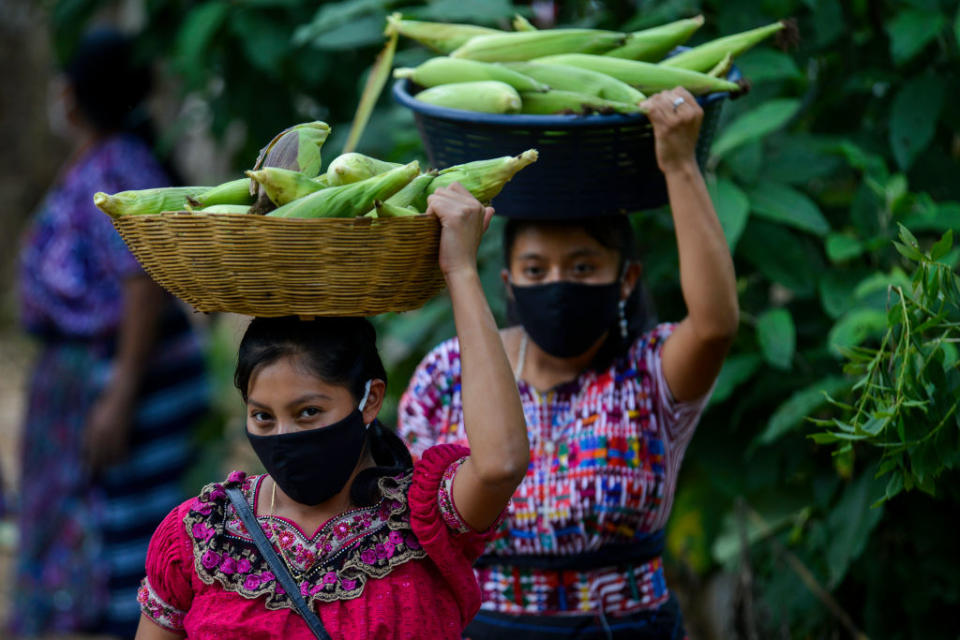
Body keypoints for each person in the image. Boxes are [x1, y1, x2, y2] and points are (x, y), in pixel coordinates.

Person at [398, 88, 739, 639]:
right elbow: (411, 516)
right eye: (536, 270)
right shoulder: (446, 374)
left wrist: (679, 162)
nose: (558, 284)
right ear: (508, 284)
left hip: (622, 628)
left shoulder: (649, 373)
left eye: (583, 268)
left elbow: (716, 325)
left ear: (625, 279)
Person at [133, 184, 530, 639]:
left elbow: (501, 464)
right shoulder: (198, 535)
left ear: (371, 399)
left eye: (308, 413)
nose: (283, 435)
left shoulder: (424, 518)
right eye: (263, 416)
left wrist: (460, 270)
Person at [14, 30, 210, 637]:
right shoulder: (104, 157)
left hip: (126, 379)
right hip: (98, 375)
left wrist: (119, 394)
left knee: (126, 528)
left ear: (73, 96)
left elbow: (140, 283)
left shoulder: (119, 166)